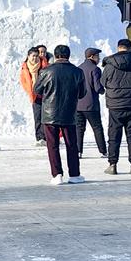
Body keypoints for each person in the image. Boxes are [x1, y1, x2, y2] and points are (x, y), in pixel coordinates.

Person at [32, 43, 85, 184]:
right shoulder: (77, 72)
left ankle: (57, 175)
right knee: (71, 144)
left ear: (55, 56)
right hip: (69, 112)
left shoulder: (46, 71)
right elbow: (82, 93)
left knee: (53, 145)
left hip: (50, 113)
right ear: (68, 55)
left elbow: (36, 89)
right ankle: (74, 175)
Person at [101, 37, 131, 176]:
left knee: (114, 135)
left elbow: (103, 82)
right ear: (130, 48)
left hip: (115, 106)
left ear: (118, 48)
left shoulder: (109, 65)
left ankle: (113, 164)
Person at [76, 46, 106, 158]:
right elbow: (97, 87)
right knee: (97, 128)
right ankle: (103, 151)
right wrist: (103, 90)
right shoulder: (95, 69)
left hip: (78, 105)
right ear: (92, 57)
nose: (99, 59)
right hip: (91, 105)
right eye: (98, 56)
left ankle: (78, 151)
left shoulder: (78, 68)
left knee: (79, 129)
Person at [20, 45, 49, 144]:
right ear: (28, 56)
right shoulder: (25, 67)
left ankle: (46, 137)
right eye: (33, 56)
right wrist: (29, 91)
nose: (35, 58)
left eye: (37, 56)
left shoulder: (44, 65)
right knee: (37, 117)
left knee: (45, 117)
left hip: (45, 95)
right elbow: (23, 81)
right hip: (34, 96)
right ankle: (39, 137)